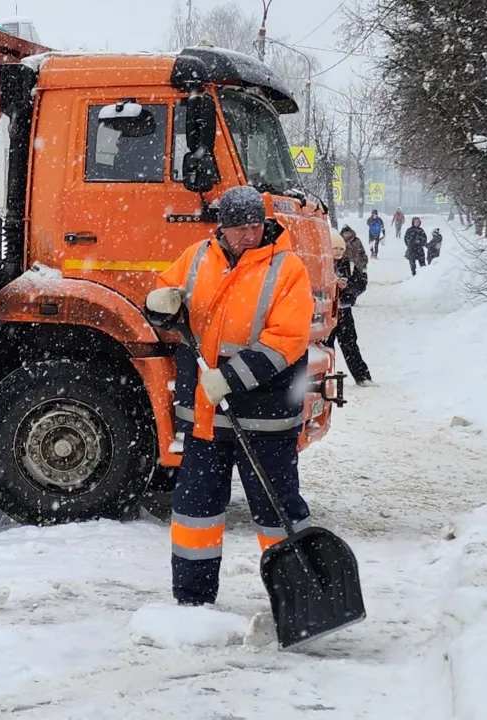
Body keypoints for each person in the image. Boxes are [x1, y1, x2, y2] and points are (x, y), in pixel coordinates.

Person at [144, 185, 315, 607]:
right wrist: (158, 303)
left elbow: (285, 341)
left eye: (255, 225)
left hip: (265, 418)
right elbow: (166, 298)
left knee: (277, 512)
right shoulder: (197, 257)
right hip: (205, 417)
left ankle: (301, 599)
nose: (249, 234)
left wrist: (231, 378)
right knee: (194, 514)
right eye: (239, 227)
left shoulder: (287, 267)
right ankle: (192, 601)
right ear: (222, 227)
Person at [325, 230, 375, 386]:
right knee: (325, 347)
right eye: (335, 248)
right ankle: (325, 377)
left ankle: (362, 377)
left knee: (350, 344)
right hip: (325, 312)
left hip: (344, 310)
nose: (338, 252)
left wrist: (348, 289)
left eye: (341, 249)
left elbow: (361, 284)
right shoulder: (321, 264)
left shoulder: (350, 264)